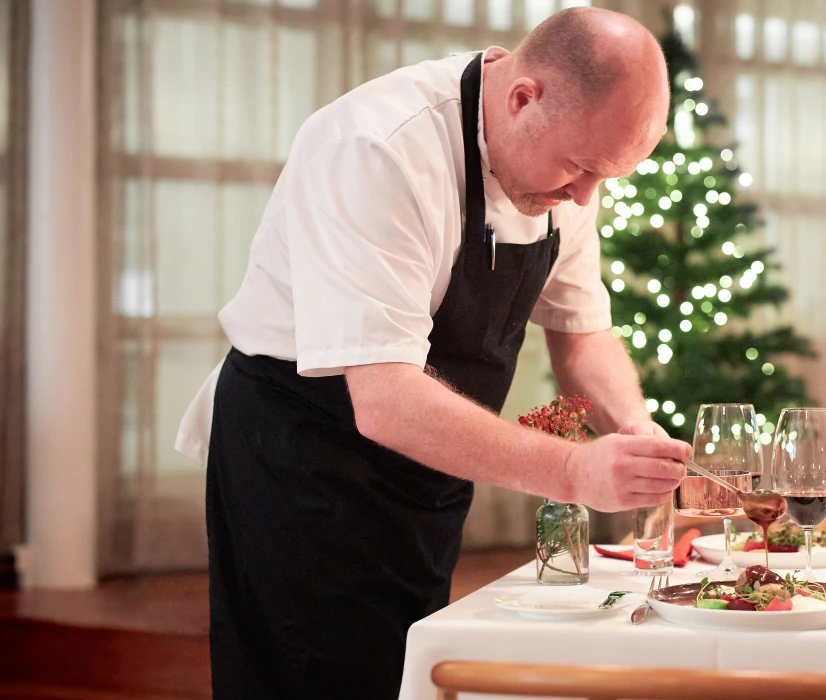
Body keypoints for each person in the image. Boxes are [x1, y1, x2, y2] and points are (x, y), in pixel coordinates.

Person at [174, 7, 689, 698]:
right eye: (579, 168)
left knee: (407, 674)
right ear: (522, 97)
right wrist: (573, 472)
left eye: (606, 175)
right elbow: (385, 398)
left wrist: (632, 431)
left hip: (425, 473)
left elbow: (582, 331)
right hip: (303, 463)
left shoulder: (564, 172)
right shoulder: (378, 147)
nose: (585, 195)